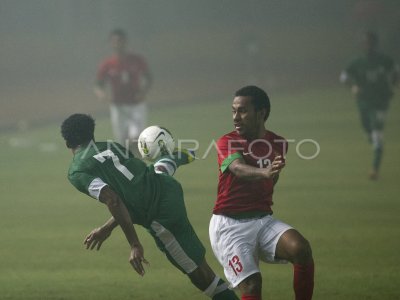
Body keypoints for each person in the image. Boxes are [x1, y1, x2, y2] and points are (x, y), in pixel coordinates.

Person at [60, 114, 238, 300]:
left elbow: (113, 200)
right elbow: (130, 192)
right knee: (155, 172)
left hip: (160, 216)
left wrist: (134, 244)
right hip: (166, 187)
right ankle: (172, 159)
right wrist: (106, 228)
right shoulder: (112, 145)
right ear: (92, 134)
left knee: (201, 276)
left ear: (67, 143)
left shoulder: (77, 171)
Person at [209, 86, 314, 300]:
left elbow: (270, 180)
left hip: (262, 220)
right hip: (230, 226)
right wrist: (264, 171)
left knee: (300, 248)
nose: (236, 117)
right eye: (233, 111)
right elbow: (237, 168)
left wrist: (271, 174)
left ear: (262, 113)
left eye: (243, 111)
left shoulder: (278, 143)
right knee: (251, 285)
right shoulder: (227, 142)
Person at [340, 31, 399, 180]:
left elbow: (396, 74)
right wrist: (353, 86)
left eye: (370, 43)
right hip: (363, 102)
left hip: (380, 102)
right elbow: (344, 77)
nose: (367, 46)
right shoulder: (358, 62)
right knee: (367, 129)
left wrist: (393, 86)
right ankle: (376, 146)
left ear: (375, 44)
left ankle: (375, 169)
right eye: (365, 43)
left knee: (377, 131)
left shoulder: (385, 60)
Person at [94, 28, 152, 152]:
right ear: (110, 43)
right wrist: (101, 94)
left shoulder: (137, 60)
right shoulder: (107, 64)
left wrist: (144, 92)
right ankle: (126, 168)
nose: (117, 43)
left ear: (125, 42)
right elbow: (99, 84)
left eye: (120, 40)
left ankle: (138, 166)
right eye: (114, 41)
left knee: (136, 138)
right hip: (118, 107)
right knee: (122, 142)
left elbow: (148, 78)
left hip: (136, 105)